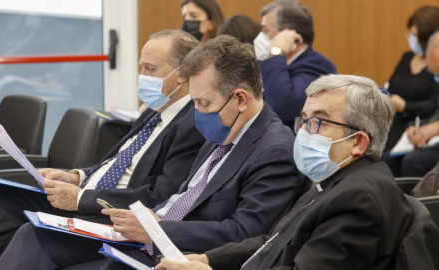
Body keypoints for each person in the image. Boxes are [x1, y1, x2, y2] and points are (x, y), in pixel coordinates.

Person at [0, 35, 305, 270]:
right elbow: (184, 196)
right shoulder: (223, 125)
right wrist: (148, 219)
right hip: (144, 235)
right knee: (34, 235)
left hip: (175, 250)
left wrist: (155, 229)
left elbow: (245, 232)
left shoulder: (274, 150)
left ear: (239, 98)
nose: (196, 113)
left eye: (203, 103)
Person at [0, 29, 207, 270]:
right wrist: (75, 176)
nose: (142, 76)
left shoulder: (192, 125)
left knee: (32, 234)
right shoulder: (156, 109)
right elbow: (117, 163)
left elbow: (158, 196)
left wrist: (79, 198)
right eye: (141, 67)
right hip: (85, 192)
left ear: (182, 74)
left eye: (151, 69)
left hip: (108, 211)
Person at [156, 74, 414, 270]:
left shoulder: (357, 200)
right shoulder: (335, 182)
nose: (302, 132)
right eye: (303, 120)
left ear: (358, 142)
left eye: (318, 123)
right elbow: (276, 241)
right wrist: (207, 258)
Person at [253, 0, 337, 130]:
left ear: (288, 35)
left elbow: (282, 106)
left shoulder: (318, 65)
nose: (260, 37)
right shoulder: (274, 65)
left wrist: (276, 52)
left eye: (266, 31)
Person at [383, 5, 439, 151]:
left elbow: (433, 105)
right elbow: (391, 86)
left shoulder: (435, 64)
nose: (411, 39)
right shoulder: (407, 57)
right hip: (392, 121)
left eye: (416, 35)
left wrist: (405, 107)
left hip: (418, 124)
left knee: (389, 158)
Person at [385, 31, 439, 177]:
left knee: (414, 162)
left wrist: (431, 130)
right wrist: (419, 130)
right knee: (387, 159)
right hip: (427, 135)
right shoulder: (407, 57)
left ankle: (418, 200)